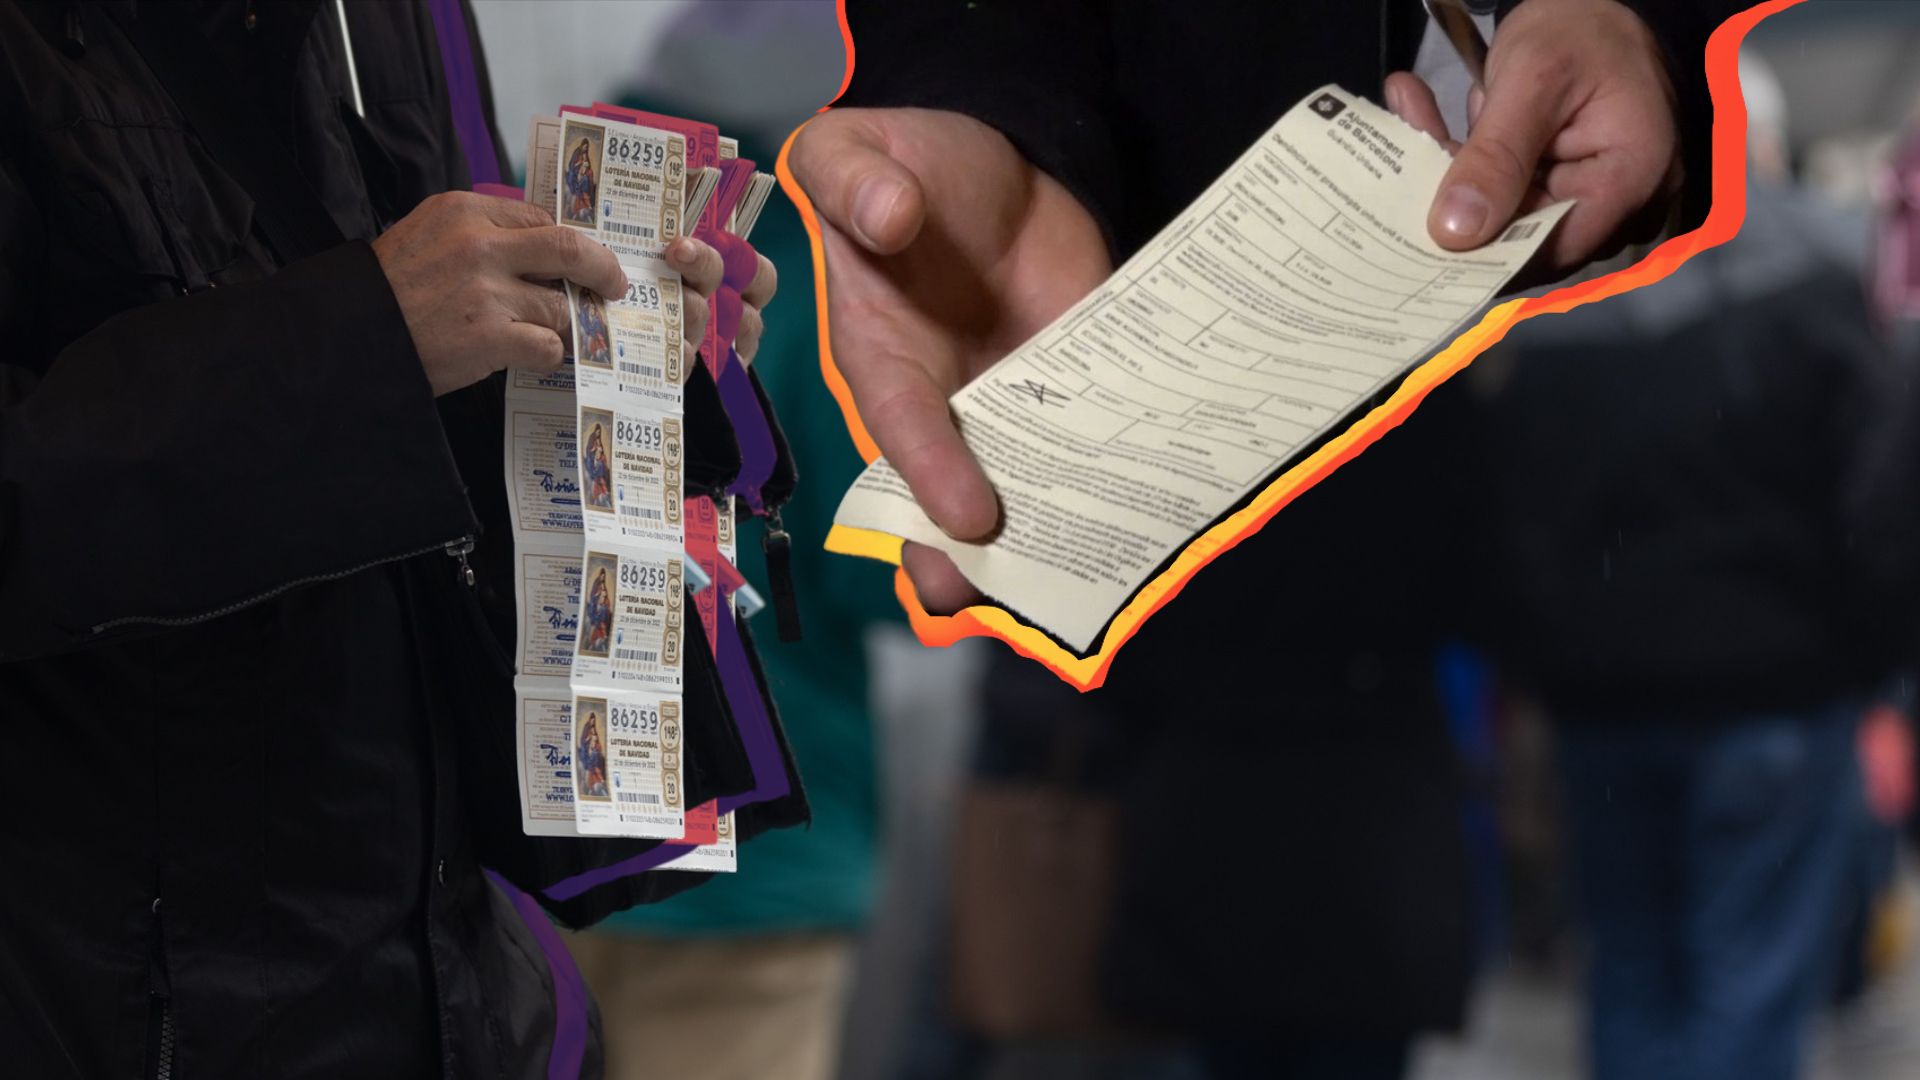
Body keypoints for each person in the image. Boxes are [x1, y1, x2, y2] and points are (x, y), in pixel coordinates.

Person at [790, 1, 1728, 1075]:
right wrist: (981, 88)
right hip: (1354, 785)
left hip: (1200, 779)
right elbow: (1501, 574)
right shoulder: (1432, 411)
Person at [0, 2, 774, 1077]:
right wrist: (363, 341)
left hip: (458, 999)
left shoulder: (392, 18)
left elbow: (406, 457)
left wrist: (606, 344)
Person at [1471, 51, 1919, 1080]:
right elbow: (1886, 500)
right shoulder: (1823, 271)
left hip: (1601, 704)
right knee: (1750, 988)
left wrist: (1541, 663)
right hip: (1776, 699)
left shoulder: (1554, 303)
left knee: (1630, 973)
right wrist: (1872, 661)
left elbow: (1502, 508)